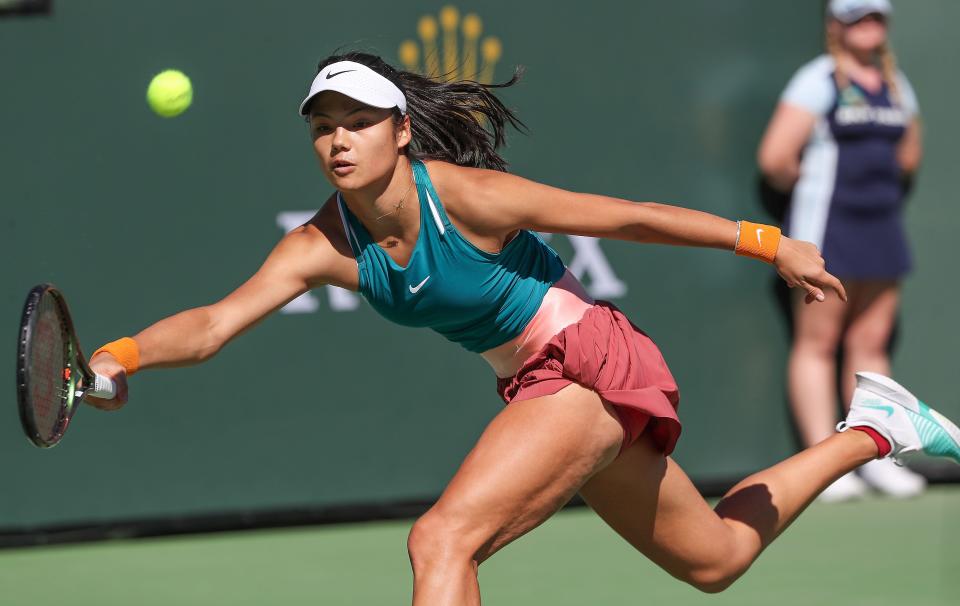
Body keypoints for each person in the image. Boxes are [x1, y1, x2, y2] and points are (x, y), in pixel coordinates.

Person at [87, 51, 958, 604]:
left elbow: (630, 217)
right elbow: (211, 325)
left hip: (584, 366)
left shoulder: (465, 196)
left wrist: (770, 243)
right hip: (538, 384)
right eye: (323, 128)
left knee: (440, 539)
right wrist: (120, 356)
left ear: (399, 129)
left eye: (358, 122)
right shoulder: (318, 243)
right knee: (716, 560)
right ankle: (878, 428)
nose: (339, 141)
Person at [757, 0, 925, 501]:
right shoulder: (816, 79)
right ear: (836, 26)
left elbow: (909, 154)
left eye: (875, 17)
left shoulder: (896, 83)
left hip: (882, 227)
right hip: (826, 229)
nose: (867, 26)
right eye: (856, 18)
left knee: (872, 344)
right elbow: (776, 158)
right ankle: (824, 462)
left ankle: (875, 456)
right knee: (818, 343)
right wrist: (821, 188)